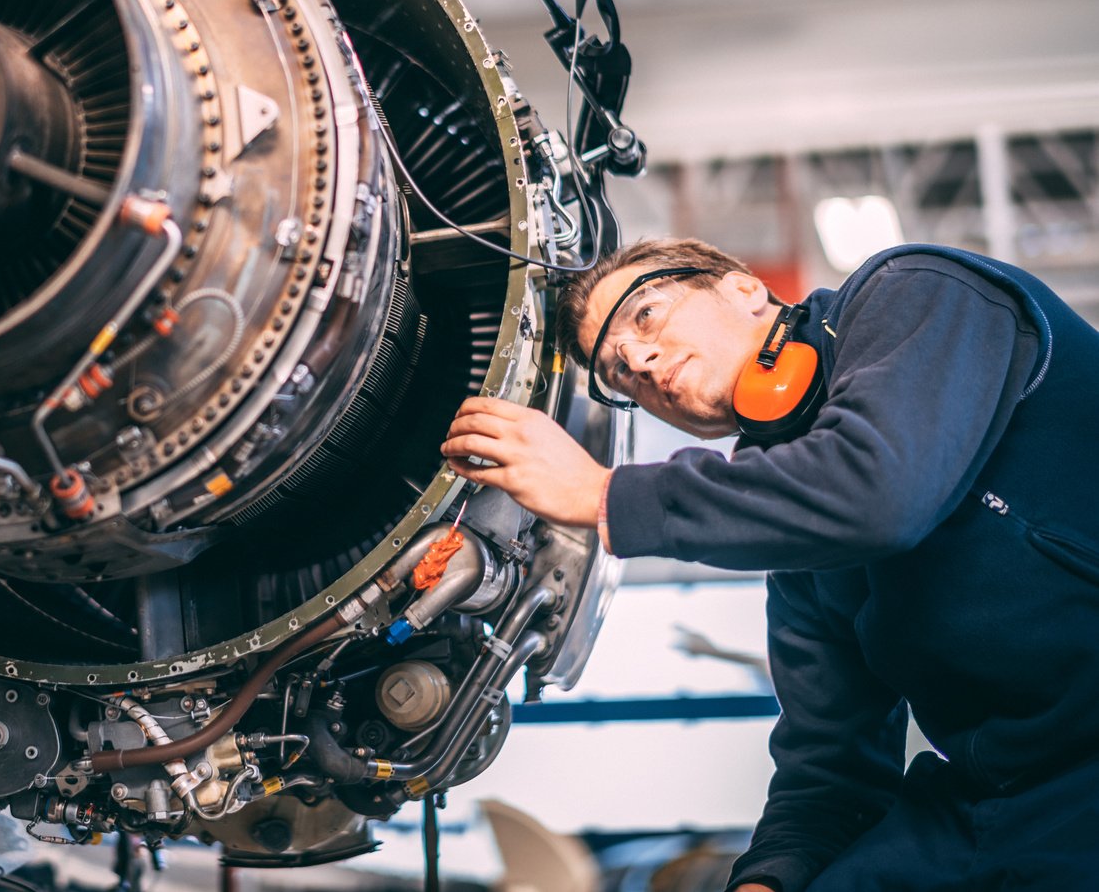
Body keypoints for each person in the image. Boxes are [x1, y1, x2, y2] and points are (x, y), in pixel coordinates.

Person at [440, 237, 1099, 892]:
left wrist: (603, 494)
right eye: (618, 375)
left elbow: (879, 495)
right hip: (1008, 803)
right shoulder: (799, 551)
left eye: (646, 315)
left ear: (742, 287)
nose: (639, 361)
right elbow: (831, 773)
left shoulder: (919, 290)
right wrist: (766, 879)